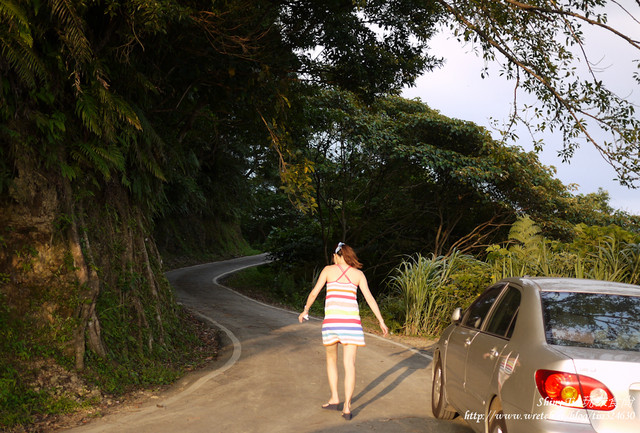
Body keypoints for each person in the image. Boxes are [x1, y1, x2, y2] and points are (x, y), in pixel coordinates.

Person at [298, 242, 389, 420]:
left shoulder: (328, 270)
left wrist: (306, 310)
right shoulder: (358, 275)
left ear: (338, 255)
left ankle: (334, 398)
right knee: (350, 365)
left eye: (334, 255)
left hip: (332, 324)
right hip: (352, 325)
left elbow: (315, 292)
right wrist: (381, 321)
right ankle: (347, 407)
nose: (333, 257)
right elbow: (369, 298)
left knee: (331, 361)